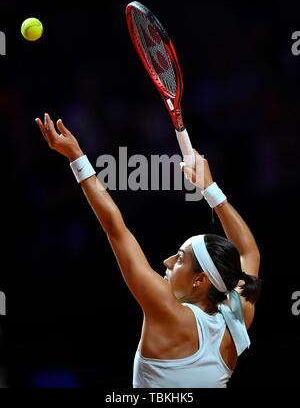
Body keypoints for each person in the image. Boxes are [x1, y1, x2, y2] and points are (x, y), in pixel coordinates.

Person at [35, 113, 261, 388]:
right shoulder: (237, 314)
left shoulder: (167, 310)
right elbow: (249, 253)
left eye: (179, 259)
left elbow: (115, 228)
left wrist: (76, 157)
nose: (166, 262)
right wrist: (209, 187)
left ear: (200, 280)